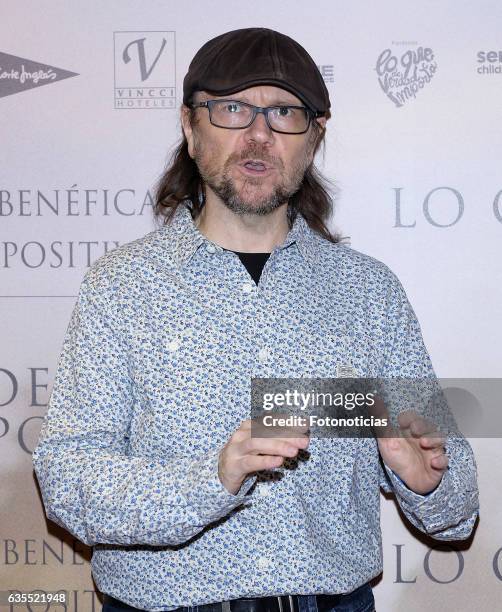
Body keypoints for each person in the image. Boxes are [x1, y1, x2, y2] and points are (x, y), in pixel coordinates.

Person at [33, 27, 479, 612]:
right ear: (191, 129)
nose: (260, 134)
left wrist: (428, 483)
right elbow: (68, 478)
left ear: (314, 137)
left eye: (285, 112)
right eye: (233, 108)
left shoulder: (369, 292)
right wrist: (212, 479)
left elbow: (456, 498)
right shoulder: (121, 289)